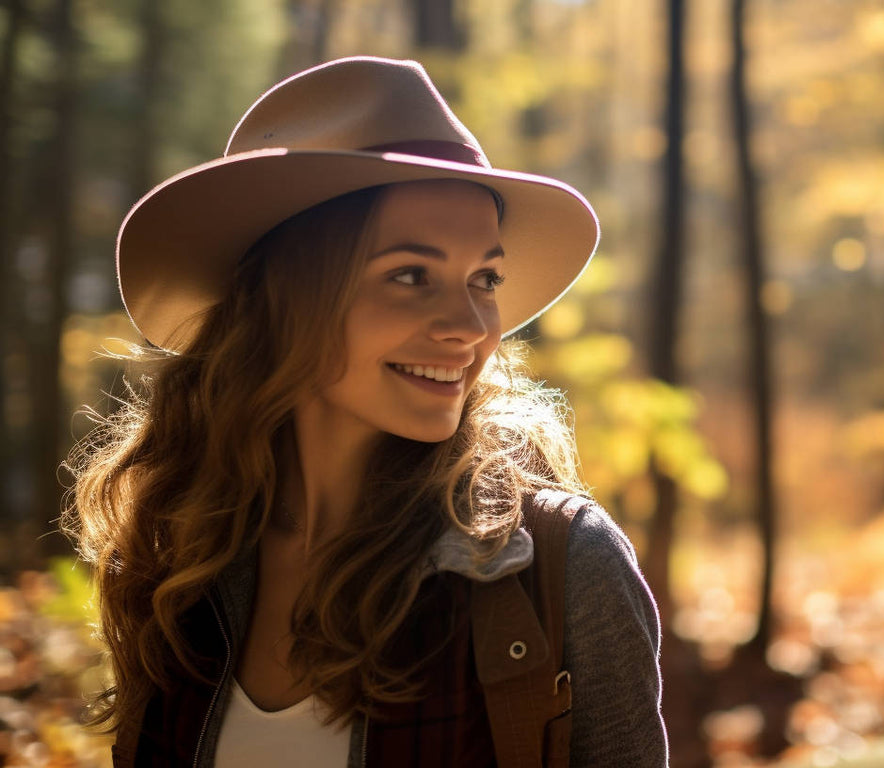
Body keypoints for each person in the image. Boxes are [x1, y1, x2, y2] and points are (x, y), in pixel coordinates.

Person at [66, 56, 667, 767]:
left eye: (485, 278)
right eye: (411, 275)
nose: (470, 325)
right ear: (285, 300)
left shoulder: (557, 569)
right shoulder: (179, 561)